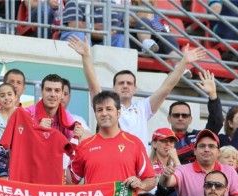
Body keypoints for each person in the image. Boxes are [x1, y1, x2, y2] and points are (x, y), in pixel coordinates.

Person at [68, 36, 206, 147]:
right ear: (114, 88)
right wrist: (86, 57)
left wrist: (183, 62)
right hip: (114, 161)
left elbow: (166, 88)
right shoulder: (107, 107)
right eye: (121, 83)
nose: (125, 86)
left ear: (135, 89)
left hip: (139, 167)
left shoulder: (143, 108)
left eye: (129, 83)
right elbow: (93, 86)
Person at [160, 129, 238, 196]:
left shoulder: (230, 172)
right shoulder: (183, 170)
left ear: (218, 152)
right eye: (202, 146)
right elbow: (167, 182)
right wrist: (166, 176)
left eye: (211, 146)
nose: (206, 149)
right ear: (195, 151)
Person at [166, 70, 224, 165]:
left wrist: (213, 95)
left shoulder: (199, 136)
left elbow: (217, 122)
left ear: (190, 119)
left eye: (185, 115)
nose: (180, 118)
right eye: (176, 115)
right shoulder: (163, 139)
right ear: (169, 118)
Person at [24, 74, 84, 140]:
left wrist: (79, 137)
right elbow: (19, 141)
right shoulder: (27, 114)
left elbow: (72, 145)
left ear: (62, 94)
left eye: (57, 90)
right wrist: (37, 131)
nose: (52, 94)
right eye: (48, 90)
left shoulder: (66, 117)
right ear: (41, 92)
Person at [60, 0, 124, 48]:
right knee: (79, 35)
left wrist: (89, 29)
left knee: (121, 39)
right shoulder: (74, 1)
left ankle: (119, 66)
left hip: (101, 40)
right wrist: (95, 27)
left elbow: (113, 31)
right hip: (79, 38)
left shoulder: (110, 3)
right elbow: (74, 25)